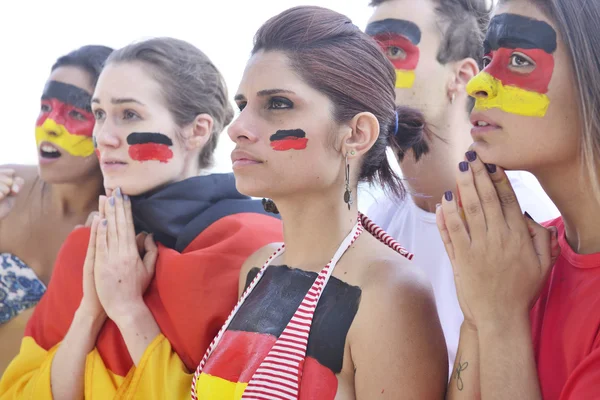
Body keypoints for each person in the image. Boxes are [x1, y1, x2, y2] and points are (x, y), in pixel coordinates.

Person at [0, 37, 283, 398]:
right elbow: (19, 390)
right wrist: (90, 312)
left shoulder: (259, 250)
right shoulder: (89, 244)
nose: (103, 136)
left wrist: (129, 312)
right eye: (99, 114)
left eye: (129, 114)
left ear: (197, 130)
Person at [190, 6, 448, 400]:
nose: (237, 128)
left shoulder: (389, 293)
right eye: (242, 105)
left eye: (276, 103)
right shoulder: (260, 268)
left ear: (356, 134)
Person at [364, 0, 560, 373]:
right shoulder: (376, 220)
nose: (365, 72)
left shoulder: (532, 214)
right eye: (361, 54)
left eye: (392, 51)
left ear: (463, 76)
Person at [436, 0, 600, 398]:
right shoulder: (515, 260)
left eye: (521, 60)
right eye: (488, 58)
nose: (478, 84)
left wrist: (499, 319)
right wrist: (479, 315)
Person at [0, 45, 113, 375]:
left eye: (75, 114)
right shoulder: (8, 186)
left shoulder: (125, 227)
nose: (49, 126)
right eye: (45, 107)